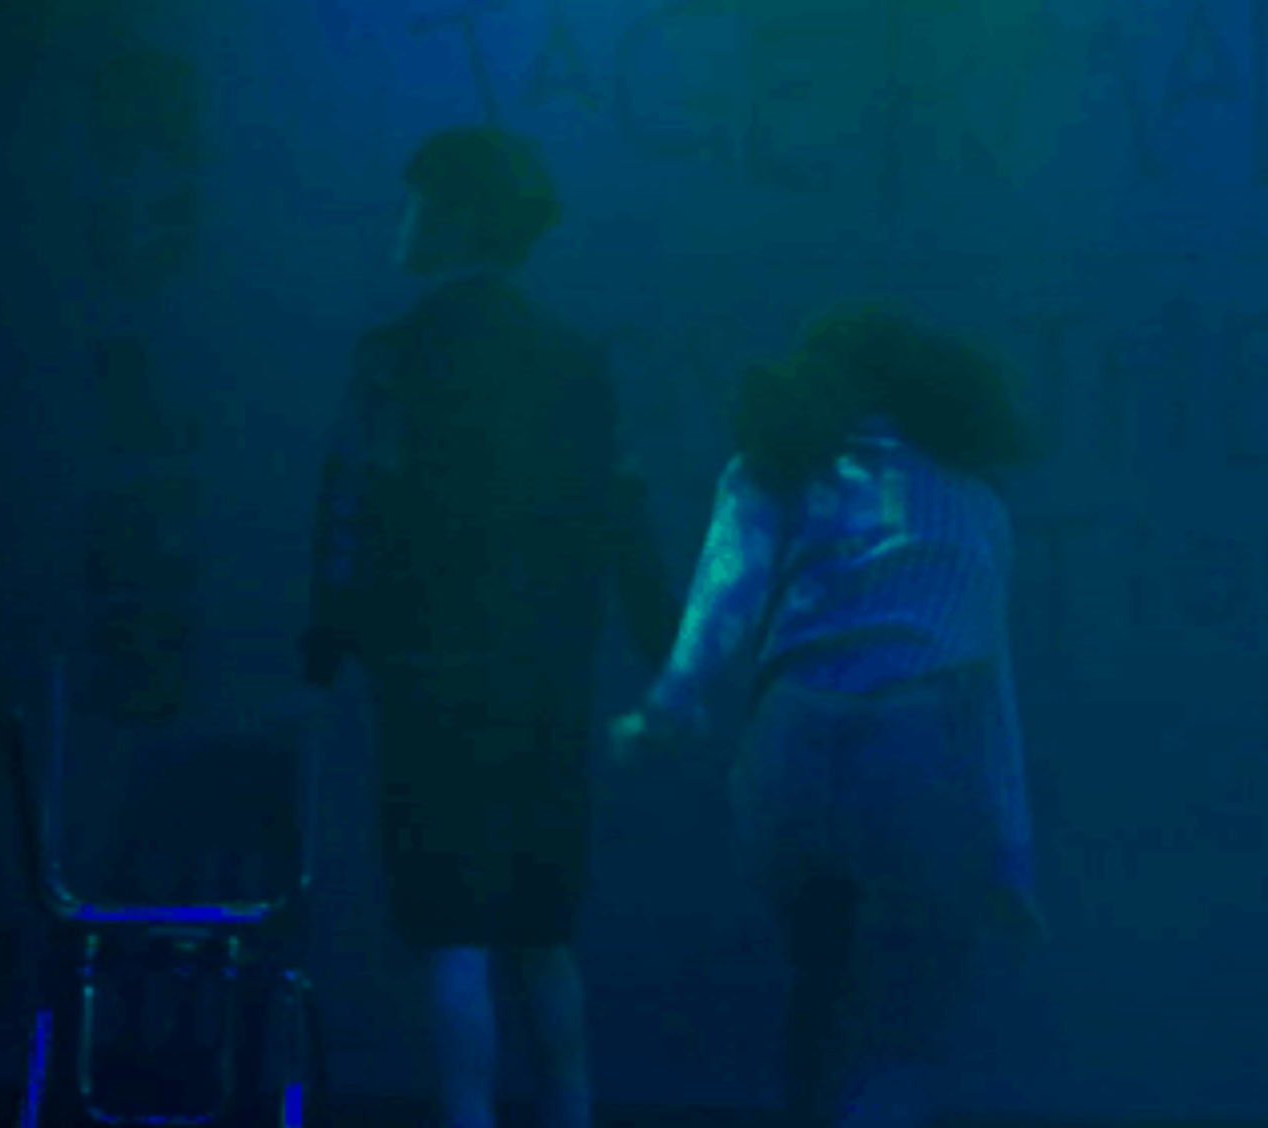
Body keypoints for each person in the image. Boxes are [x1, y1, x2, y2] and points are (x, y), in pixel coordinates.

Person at [301, 126, 677, 1128]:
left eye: (417, 201)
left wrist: (328, 637)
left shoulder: (395, 359)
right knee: (542, 932)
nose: (402, 219)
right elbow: (623, 513)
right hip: (546, 683)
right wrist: (664, 643)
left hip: (427, 683)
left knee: (453, 935)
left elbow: (349, 505)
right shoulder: (577, 364)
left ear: (458, 217)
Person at [610, 305, 1044, 1128]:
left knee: (820, 983)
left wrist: (667, 706)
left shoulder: (774, 468)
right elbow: (994, 696)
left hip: (788, 750)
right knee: (903, 1028)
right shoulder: (976, 502)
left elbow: (724, 598)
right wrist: (1013, 858)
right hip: (922, 751)